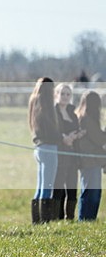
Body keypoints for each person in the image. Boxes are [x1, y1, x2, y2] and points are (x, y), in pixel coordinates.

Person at [28, 77, 62, 224]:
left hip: (39, 148)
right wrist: (62, 137)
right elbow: (51, 129)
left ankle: (36, 220)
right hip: (49, 148)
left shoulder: (34, 102)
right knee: (48, 186)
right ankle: (44, 220)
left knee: (41, 185)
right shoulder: (46, 104)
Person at [52, 84, 83, 220]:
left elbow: (76, 129)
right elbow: (53, 131)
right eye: (62, 93)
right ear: (56, 95)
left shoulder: (72, 113)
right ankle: (56, 218)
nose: (65, 97)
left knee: (72, 187)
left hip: (72, 154)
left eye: (68, 94)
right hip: (59, 154)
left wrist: (76, 135)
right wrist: (64, 138)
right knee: (58, 187)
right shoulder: (53, 113)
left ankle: (70, 218)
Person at [74, 90, 106, 221]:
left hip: (91, 161)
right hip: (90, 161)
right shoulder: (86, 119)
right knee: (91, 193)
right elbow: (99, 139)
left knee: (90, 191)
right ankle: (86, 219)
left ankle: (88, 219)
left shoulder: (83, 118)